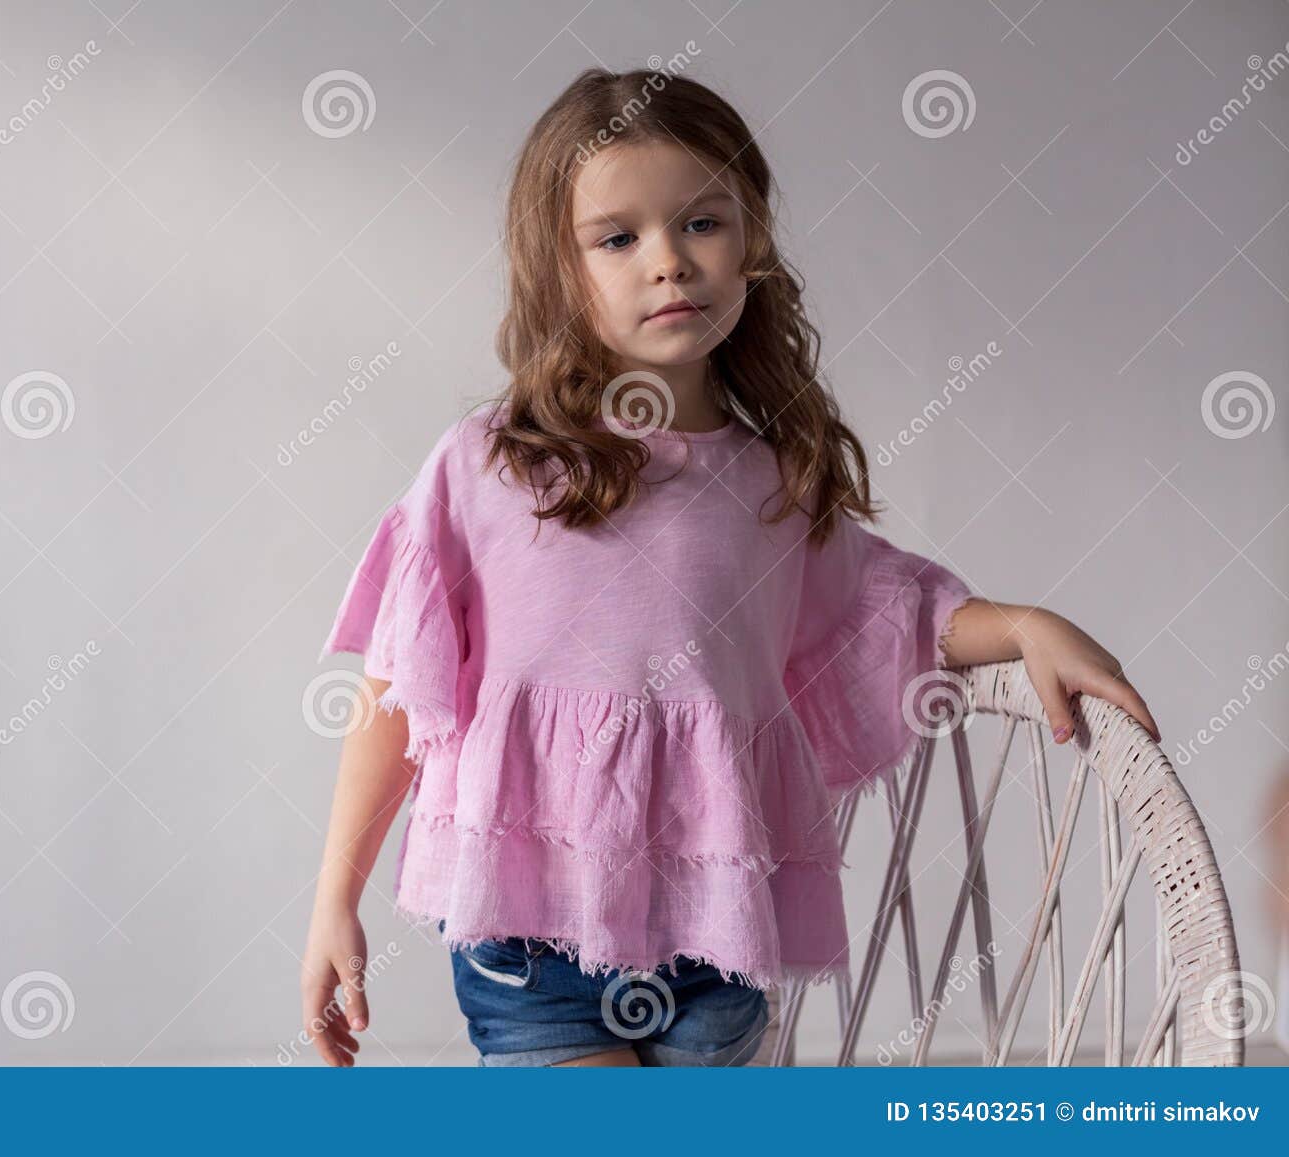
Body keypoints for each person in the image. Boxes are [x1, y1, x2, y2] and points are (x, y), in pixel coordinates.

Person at [301, 66, 1161, 1068]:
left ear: (750, 243)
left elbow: (890, 608)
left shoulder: (771, 484)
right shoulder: (489, 466)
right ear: (559, 271)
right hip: (530, 942)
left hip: (714, 944)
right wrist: (334, 897)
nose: (668, 261)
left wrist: (1021, 624)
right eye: (618, 238)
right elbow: (400, 693)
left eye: (701, 224)